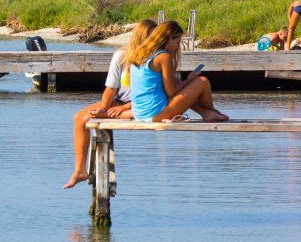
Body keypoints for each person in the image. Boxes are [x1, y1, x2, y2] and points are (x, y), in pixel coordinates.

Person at [63, 19, 156, 189]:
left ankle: (123, 112)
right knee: (79, 118)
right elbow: (111, 88)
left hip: (143, 103)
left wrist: (124, 107)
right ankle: (80, 170)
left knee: (114, 113)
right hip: (119, 101)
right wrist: (104, 107)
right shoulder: (122, 56)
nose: (152, 41)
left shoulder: (157, 58)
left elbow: (154, 92)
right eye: (149, 37)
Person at [128, 20, 229, 122]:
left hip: (139, 114)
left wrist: (184, 84)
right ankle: (211, 112)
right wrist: (190, 79)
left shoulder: (140, 54)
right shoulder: (163, 56)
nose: (177, 46)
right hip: (155, 113)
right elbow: (171, 92)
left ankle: (208, 113)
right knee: (203, 82)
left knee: (178, 82)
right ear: (170, 38)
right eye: (178, 41)